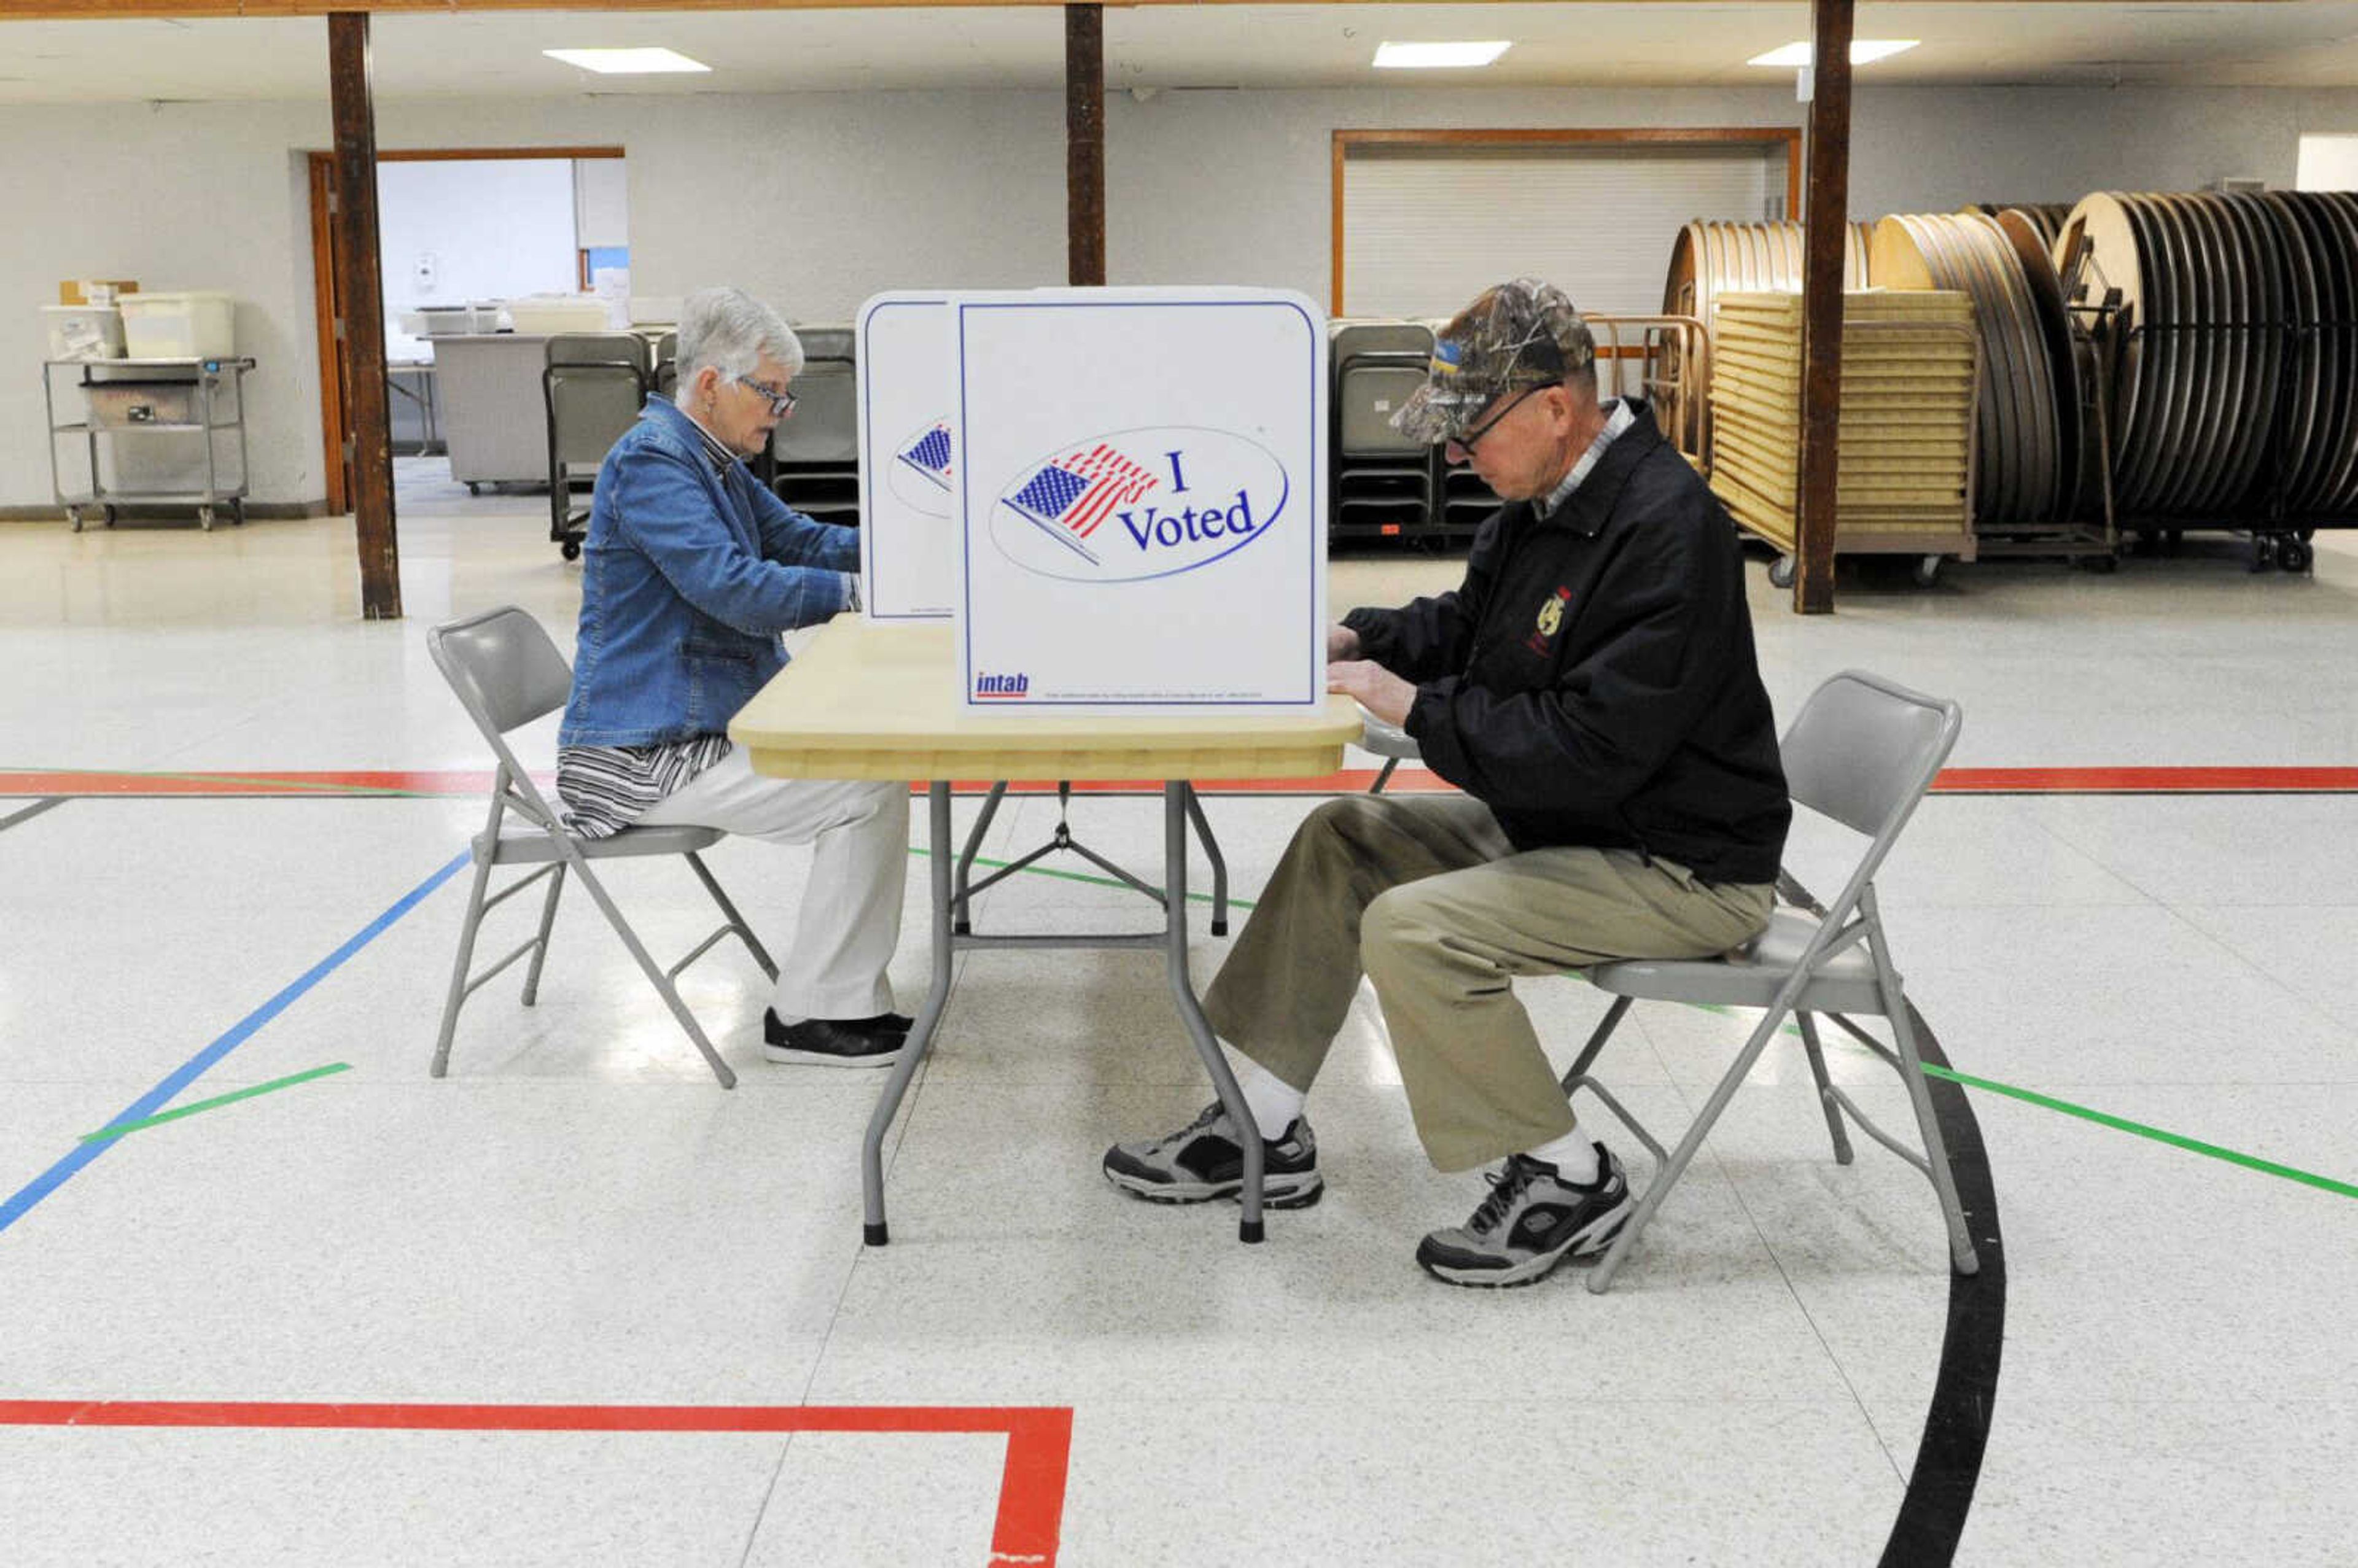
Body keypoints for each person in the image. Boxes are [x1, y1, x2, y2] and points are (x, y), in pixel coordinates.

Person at [1102, 278, 1791, 1286]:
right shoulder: (1541, 501)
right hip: (1575, 824)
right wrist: (1357, 637)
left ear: (1559, 407)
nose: (1456, 457)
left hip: (1680, 860)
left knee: (1415, 929)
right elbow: (1469, 629)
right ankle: (1260, 1120)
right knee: (1342, 837)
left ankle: (1570, 1172)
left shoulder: (1667, 527)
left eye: (1475, 433)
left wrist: (1413, 707)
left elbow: (1591, 744)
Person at [556, 286, 910, 1067]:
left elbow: (801, 540)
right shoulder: (654, 462)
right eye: (770, 393)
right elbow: (736, 589)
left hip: (684, 730)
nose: (780, 412)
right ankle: (812, 1014)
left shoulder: (710, 461)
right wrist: (872, 595)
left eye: (787, 395)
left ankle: (841, 996)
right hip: (638, 755)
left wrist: (910, 549)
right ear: (711, 384)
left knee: (873, 774)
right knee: (867, 788)